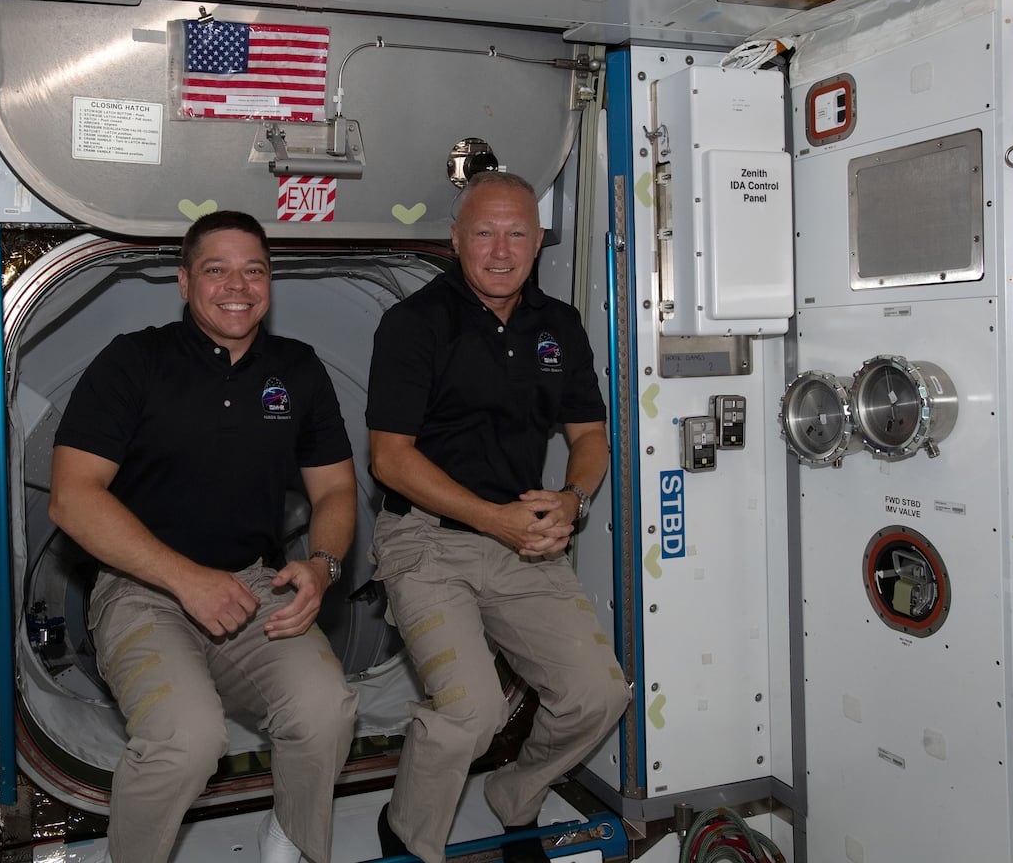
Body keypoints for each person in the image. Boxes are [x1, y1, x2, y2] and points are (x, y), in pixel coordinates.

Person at [49, 210, 358, 863]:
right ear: (185, 282)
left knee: (326, 709)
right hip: (140, 590)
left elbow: (334, 491)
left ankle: (292, 843)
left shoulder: (298, 371)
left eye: (254, 270)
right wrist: (186, 580)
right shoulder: (134, 362)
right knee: (186, 738)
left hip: (253, 583)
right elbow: (73, 499)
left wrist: (323, 565)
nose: (237, 286)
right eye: (216, 269)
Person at [366, 172, 631, 863]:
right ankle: (408, 834)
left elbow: (589, 437)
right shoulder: (414, 325)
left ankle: (516, 797)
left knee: (598, 695)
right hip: (426, 539)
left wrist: (570, 501)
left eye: (518, 232)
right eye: (483, 232)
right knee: (470, 713)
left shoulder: (558, 327)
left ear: (540, 240)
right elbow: (390, 461)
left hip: (523, 538)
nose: (501, 249)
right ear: (456, 241)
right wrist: (493, 519)